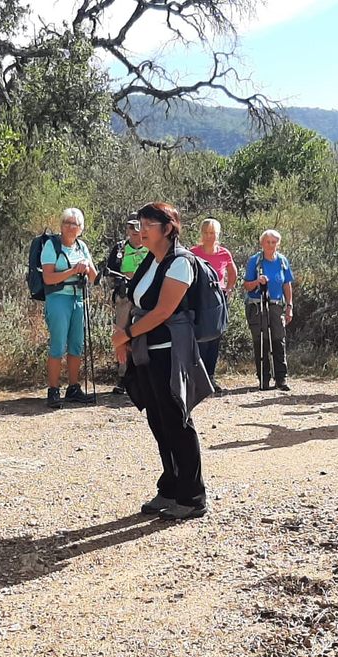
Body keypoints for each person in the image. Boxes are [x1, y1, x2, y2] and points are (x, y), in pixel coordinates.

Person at [111, 202, 213, 521]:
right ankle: (170, 486)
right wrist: (125, 337)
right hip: (148, 351)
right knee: (158, 419)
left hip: (170, 351)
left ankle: (193, 496)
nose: (140, 230)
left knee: (177, 420)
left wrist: (126, 334)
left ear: (167, 229)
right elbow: (134, 301)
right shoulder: (151, 261)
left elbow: (162, 312)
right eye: (139, 224)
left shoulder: (180, 263)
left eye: (147, 225)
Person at [41, 207, 99, 408]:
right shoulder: (51, 245)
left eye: (75, 224)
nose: (70, 227)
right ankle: (53, 390)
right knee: (58, 344)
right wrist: (73, 270)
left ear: (81, 228)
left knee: (76, 344)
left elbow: (94, 278)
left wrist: (87, 266)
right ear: (61, 225)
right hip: (58, 298)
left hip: (78, 299)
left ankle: (73, 387)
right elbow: (48, 277)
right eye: (67, 223)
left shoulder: (81, 247)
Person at [242, 230, 295, 391]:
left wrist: (289, 306)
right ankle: (263, 378)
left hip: (276, 305)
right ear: (262, 244)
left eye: (274, 242)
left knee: (279, 339)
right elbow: (246, 285)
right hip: (257, 305)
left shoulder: (282, 261)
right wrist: (257, 281)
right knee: (261, 340)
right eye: (267, 242)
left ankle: (281, 378)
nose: (270, 245)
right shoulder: (255, 261)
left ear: (278, 244)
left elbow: (287, 284)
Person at [190, 218, 238, 393]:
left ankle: (210, 377)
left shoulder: (224, 253)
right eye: (207, 233)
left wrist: (229, 289)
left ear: (218, 235)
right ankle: (197, 379)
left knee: (215, 338)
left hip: (218, 300)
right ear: (202, 234)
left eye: (213, 233)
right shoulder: (193, 253)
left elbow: (233, 273)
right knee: (200, 338)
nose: (210, 236)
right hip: (199, 301)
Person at [103, 213, 148, 396]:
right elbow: (110, 270)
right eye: (131, 228)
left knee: (144, 334)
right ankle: (123, 376)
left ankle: (144, 376)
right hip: (124, 297)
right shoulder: (120, 248)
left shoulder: (151, 247)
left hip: (146, 297)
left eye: (138, 228)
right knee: (122, 335)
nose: (135, 232)